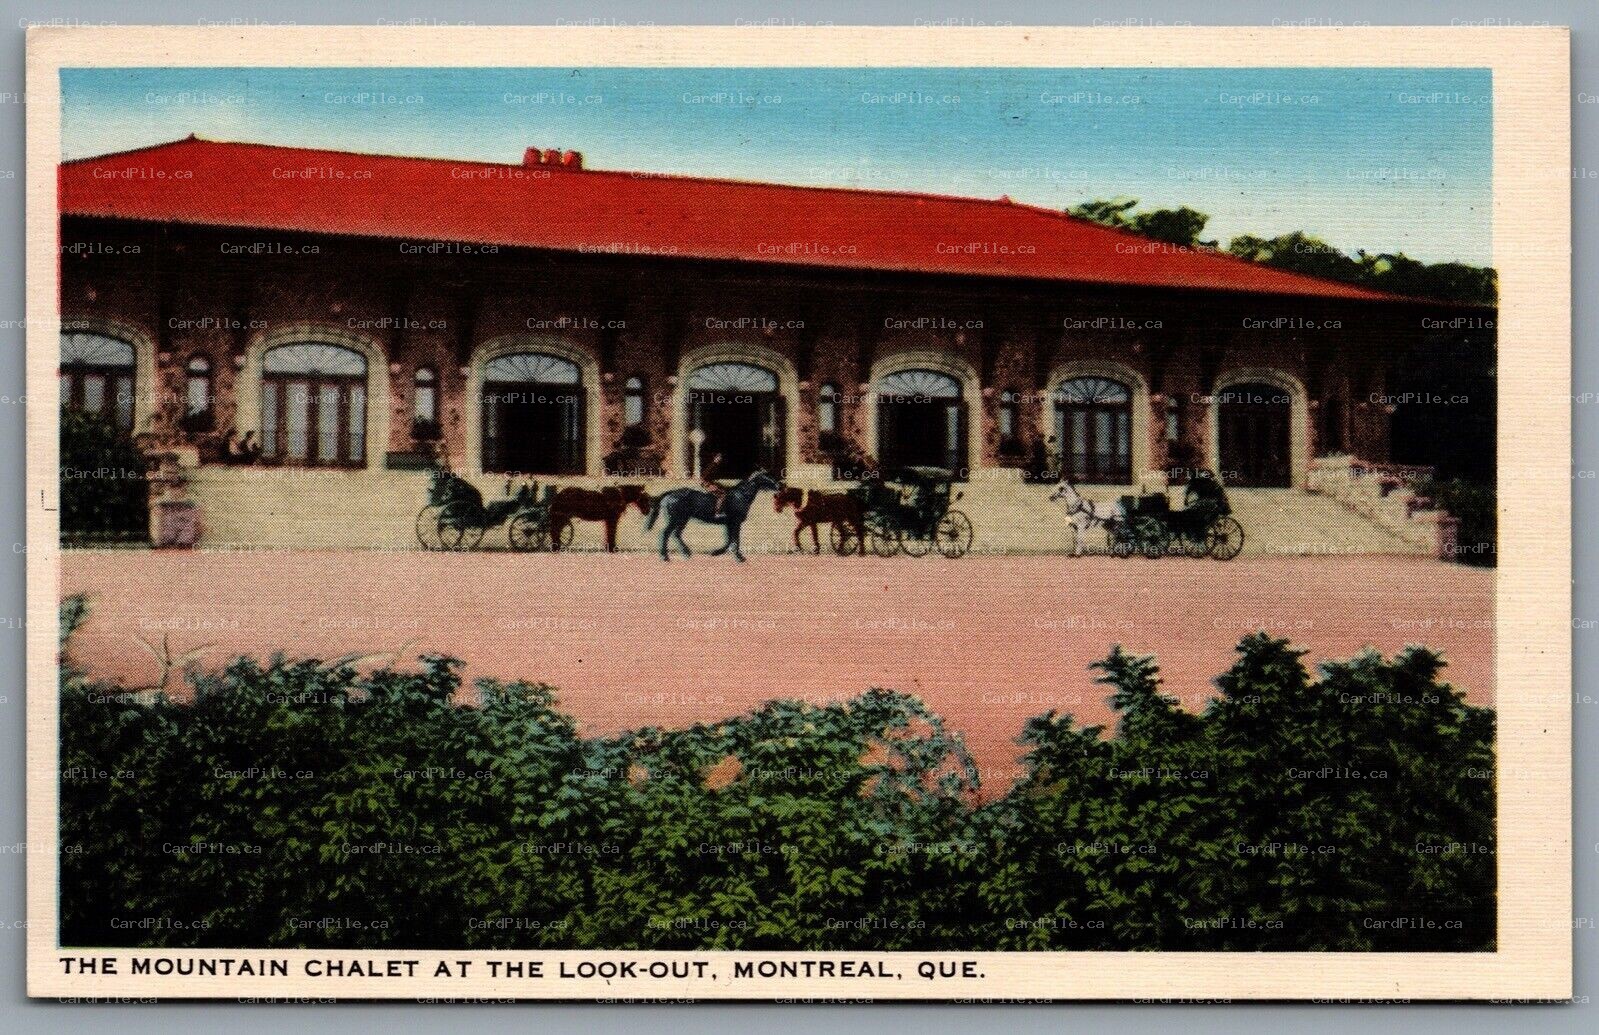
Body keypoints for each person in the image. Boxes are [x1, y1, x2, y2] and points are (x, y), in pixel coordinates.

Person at [700, 451, 728, 517]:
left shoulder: (715, 465)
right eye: (718, 458)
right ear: (715, 458)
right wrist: (708, 485)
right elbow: (703, 477)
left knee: (723, 490)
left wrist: (717, 484)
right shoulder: (712, 465)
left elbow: (711, 478)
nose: (720, 459)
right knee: (722, 495)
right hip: (706, 484)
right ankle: (717, 513)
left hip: (708, 483)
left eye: (720, 458)